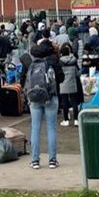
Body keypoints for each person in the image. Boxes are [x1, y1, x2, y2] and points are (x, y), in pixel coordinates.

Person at [20, 34, 62, 170]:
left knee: (35, 128)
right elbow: (60, 77)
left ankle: (35, 160)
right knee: (51, 128)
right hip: (50, 96)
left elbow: (23, 78)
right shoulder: (54, 59)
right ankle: (52, 160)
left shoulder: (30, 60)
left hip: (34, 97)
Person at [57, 43, 81, 126]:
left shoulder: (59, 62)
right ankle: (76, 120)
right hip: (72, 83)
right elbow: (78, 74)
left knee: (65, 102)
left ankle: (66, 120)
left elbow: (58, 73)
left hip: (63, 84)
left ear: (61, 53)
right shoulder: (73, 61)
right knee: (74, 101)